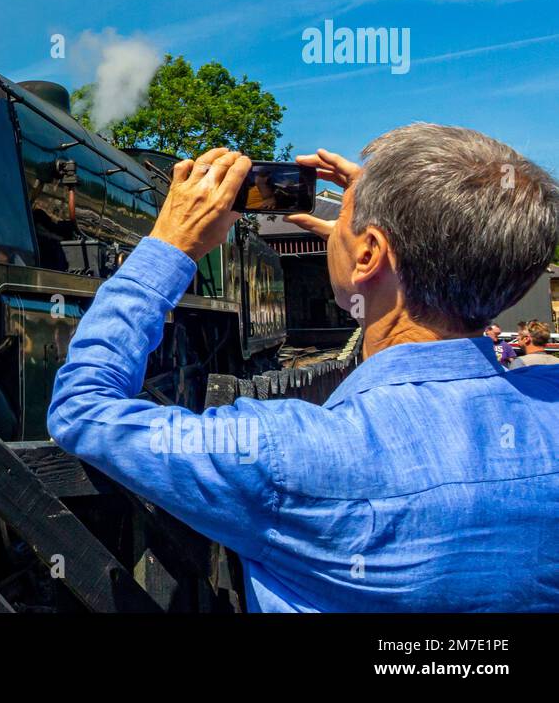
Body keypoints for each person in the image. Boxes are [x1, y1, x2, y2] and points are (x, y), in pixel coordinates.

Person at [48, 123, 559, 611]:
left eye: (348, 226)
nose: (333, 232)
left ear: (368, 255)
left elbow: (82, 408)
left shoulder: (283, 453)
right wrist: (420, 231)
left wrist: (167, 247)